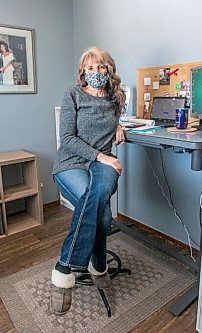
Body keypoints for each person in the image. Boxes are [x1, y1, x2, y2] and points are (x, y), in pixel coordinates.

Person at [50, 46, 126, 315]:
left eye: (101, 66)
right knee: (101, 214)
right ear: (83, 72)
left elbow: (115, 118)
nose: (95, 72)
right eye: (90, 68)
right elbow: (68, 138)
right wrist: (100, 156)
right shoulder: (73, 94)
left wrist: (119, 125)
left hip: (103, 161)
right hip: (72, 162)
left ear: (109, 69)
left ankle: (65, 267)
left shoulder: (116, 97)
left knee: (98, 207)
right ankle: (97, 265)